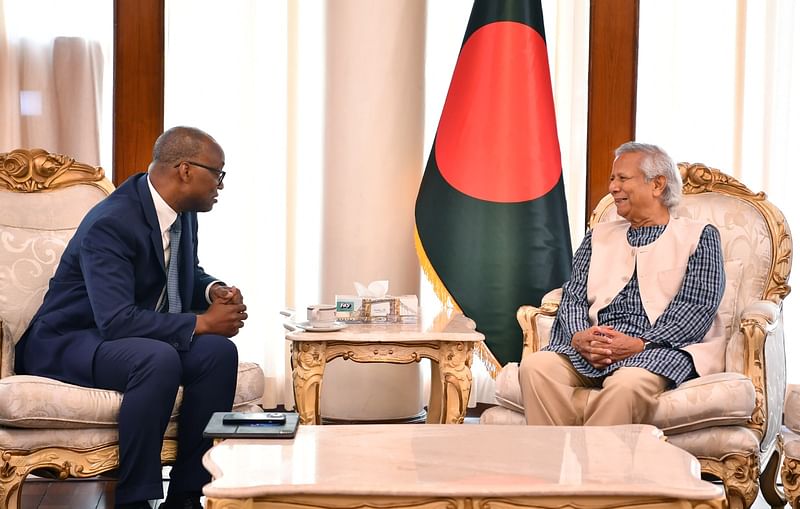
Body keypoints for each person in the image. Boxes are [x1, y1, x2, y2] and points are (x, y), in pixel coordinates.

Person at [15, 126, 248, 509]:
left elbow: (180, 272)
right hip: (70, 339)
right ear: (185, 170)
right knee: (156, 359)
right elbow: (117, 321)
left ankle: (189, 494)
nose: (221, 184)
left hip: (125, 337)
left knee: (217, 353)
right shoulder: (112, 221)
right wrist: (201, 323)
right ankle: (134, 500)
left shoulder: (182, 214)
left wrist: (212, 291)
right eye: (218, 173)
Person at [519, 141, 725, 426]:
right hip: (594, 347)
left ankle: (597, 470)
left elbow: (695, 309)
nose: (613, 187)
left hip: (657, 350)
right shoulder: (598, 236)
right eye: (612, 179)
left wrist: (641, 343)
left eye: (623, 179)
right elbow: (573, 297)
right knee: (536, 367)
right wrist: (580, 336)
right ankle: (556, 463)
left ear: (657, 185)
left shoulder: (699, 236)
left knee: (625, 386)